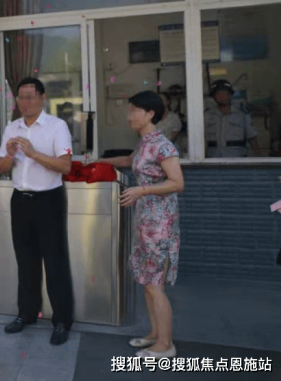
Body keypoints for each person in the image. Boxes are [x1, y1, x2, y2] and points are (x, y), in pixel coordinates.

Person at [99, 90, 184, 359]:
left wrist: (141, 190)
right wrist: (98, 162)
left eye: (134, 110)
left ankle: (166, 344)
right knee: (148, 282)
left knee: (154, 284)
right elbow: (129, 161)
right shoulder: (145, 142)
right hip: (146, 221)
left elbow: (177, 183)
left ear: (149, 114)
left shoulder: (162, 145)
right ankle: (155, 334)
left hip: (160, 224)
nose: (129, 116)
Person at [0, 77, 74, 346]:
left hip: (48, 200)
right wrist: (9, 155)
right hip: (20, 200)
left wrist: (33, 153)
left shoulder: (57, 126)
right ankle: (26, 314)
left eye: (30, 97)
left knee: (55, 261)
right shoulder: (12, 128)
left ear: (42, 97)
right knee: (25, 260)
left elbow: (65, 166)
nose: (24, 102)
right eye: (20, 97)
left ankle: (62, 320)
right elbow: (2, 168)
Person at [204, 79, 260, 157]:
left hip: (236, 157)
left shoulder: (242, 114)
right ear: (213, 97)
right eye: (218, 94)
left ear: (230, 95)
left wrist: (259, 157)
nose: (222, 96)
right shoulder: (207, 114)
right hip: (213, 157)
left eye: (224, 93)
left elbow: (252, 136)